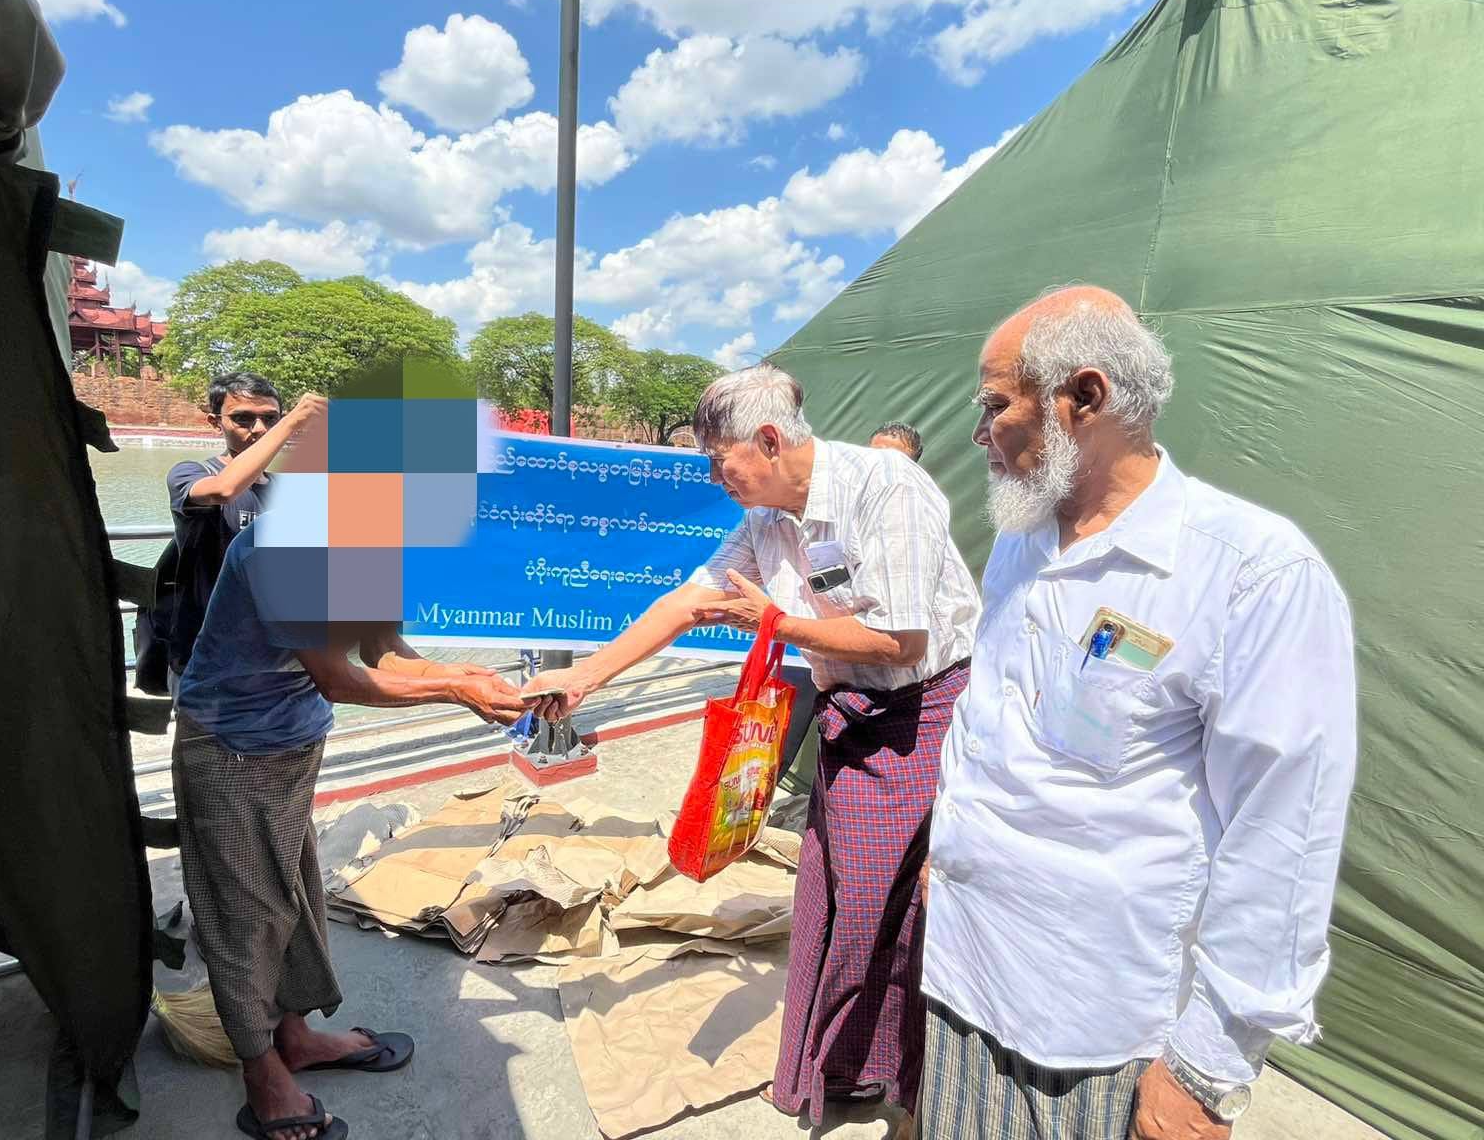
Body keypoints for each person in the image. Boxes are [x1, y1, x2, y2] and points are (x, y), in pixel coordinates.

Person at [918, 287, 1357, 1140]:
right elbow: (988, 714)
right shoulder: (1021, 537)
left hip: (1101, 1024)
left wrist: (1208, 1068)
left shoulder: (1253, 574)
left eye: (995, 405)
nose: (980, 434)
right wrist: (950, 845)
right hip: (964, 969)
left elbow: (1284, 835)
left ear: (1085, 397)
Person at [524, 364, 981, 1133]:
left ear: (768, 440)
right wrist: (586, 677)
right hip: (852, 715)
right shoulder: (768, 517)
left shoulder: (887, 488)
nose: (714, 477)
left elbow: (901, 641)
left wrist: (778, 623)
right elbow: (691, 600)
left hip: (921, 717)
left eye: (718, 459)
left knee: (887, 908)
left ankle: (903, 1078)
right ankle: (838, 1067)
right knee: (833, 897)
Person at [173, 520, 526, 1140]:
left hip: (290, 746)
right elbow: (337, 678)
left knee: (296, 898)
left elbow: (382, 651)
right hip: (230, 748)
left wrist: (466, 674)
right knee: (246, 916)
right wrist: (454, 689)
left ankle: (296, 1037)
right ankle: (262, 1074)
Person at [158, 372, 327, 695]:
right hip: (208, 662)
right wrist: (290, 423)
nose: (260, 429)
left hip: (278, 659)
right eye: (243, 419)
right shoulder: (190, 474)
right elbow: (225, 490)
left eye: (270, 419)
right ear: (215, 422)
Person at [781, 420, 924, 788]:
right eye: (873, 455)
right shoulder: (836, 505)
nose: (879, 466)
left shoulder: (912, 521)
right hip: (811, 654)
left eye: (893, 460)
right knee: (777, 745)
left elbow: (898, 639)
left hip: (867, 678)